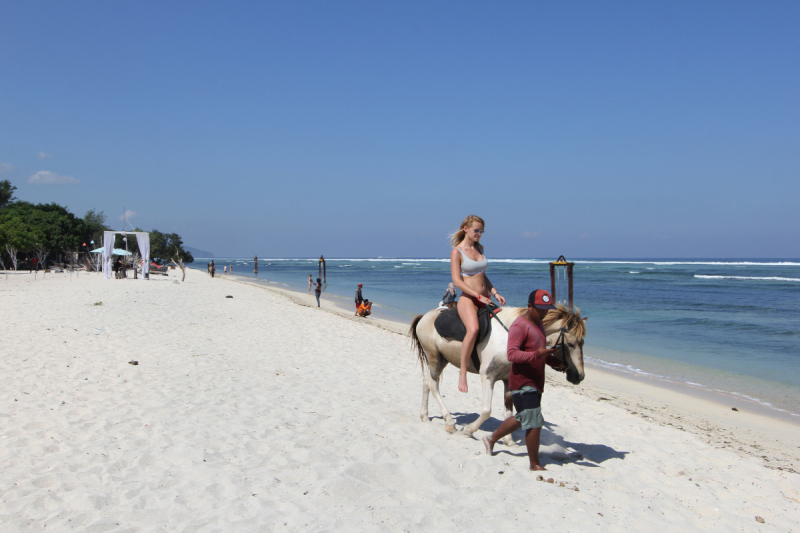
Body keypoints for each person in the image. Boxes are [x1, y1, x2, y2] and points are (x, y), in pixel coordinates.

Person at [482, 290, 566, 471]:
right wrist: (538, 354)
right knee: (534, 421)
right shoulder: (519, 326)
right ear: (529, 307)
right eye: (541, 309)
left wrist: (554, 362)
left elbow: (540, 351)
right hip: (522, 382)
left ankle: (491, 438)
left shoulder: (539, 324)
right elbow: (512, 354)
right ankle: (534, 463)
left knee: (523, 418)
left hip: (536, 381)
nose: (544, 313)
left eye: (547, 309)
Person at [450, 215, 506, 393]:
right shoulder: (457, 252)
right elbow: (457, 281)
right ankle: (463, 372)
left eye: (481, 231)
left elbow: (482, 275)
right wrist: (477, 296)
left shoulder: (479, 248)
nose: (479, 234)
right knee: (473, 330)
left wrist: (495, 292)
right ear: (466, 229)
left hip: (486, 298)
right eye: (476, 230)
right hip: (468, 300)